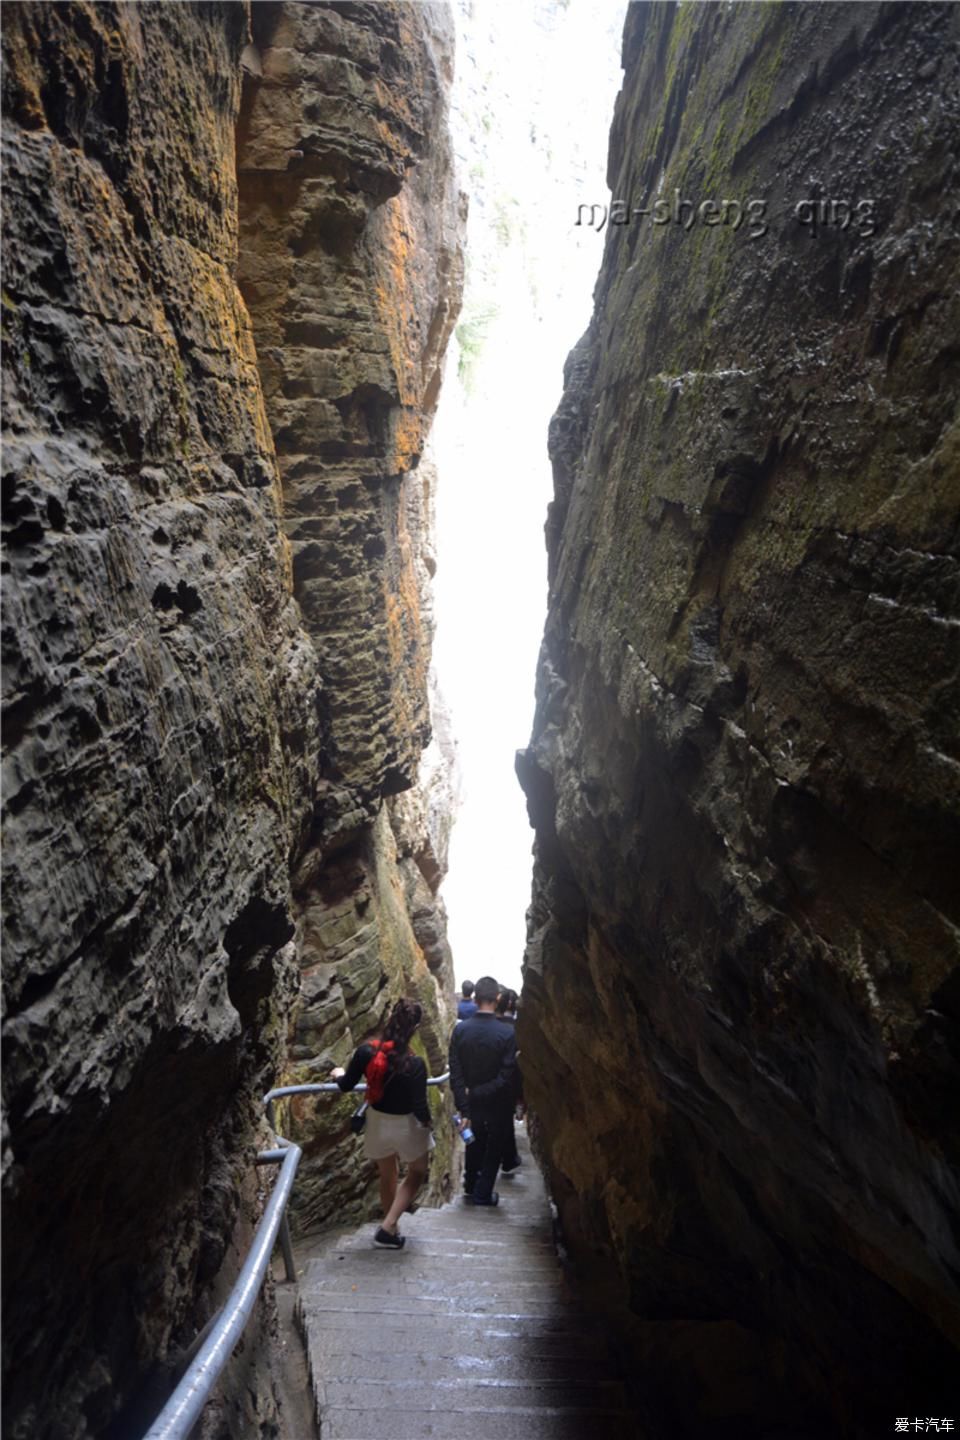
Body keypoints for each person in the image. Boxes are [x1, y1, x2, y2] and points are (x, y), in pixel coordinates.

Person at [331, 998, 434, 1249]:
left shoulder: (367, 1052)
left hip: (377, 1122)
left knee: (388, 1174)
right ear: (415, 1028)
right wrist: (429, 1125)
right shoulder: (416, 1064)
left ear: (390, 1019)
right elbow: (420, 1107)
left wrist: (340, 1073)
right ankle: (388, 1227)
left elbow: (346, 1085)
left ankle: (392, 1227)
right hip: (407, 1124)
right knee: (417, 1172)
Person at [449, 975, 517, 1206]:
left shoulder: (460, 1031)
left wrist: (464, 1103)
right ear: (497, 999)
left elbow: (455, 1073)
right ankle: (483, 1191)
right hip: (497, 1101)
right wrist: (478, 1092)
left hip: (471, 1101)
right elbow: (505, 1076)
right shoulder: (507, 1034)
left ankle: (469, 1184)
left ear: (476, 998)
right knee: (495, 1145)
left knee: (473, 1141)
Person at [494, 987, 522, 1173]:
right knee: (505, 1120)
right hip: (510, 1080)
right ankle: (508, 1158)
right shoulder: (517, 1030)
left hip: (488, 1079)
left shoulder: (491, 1027)